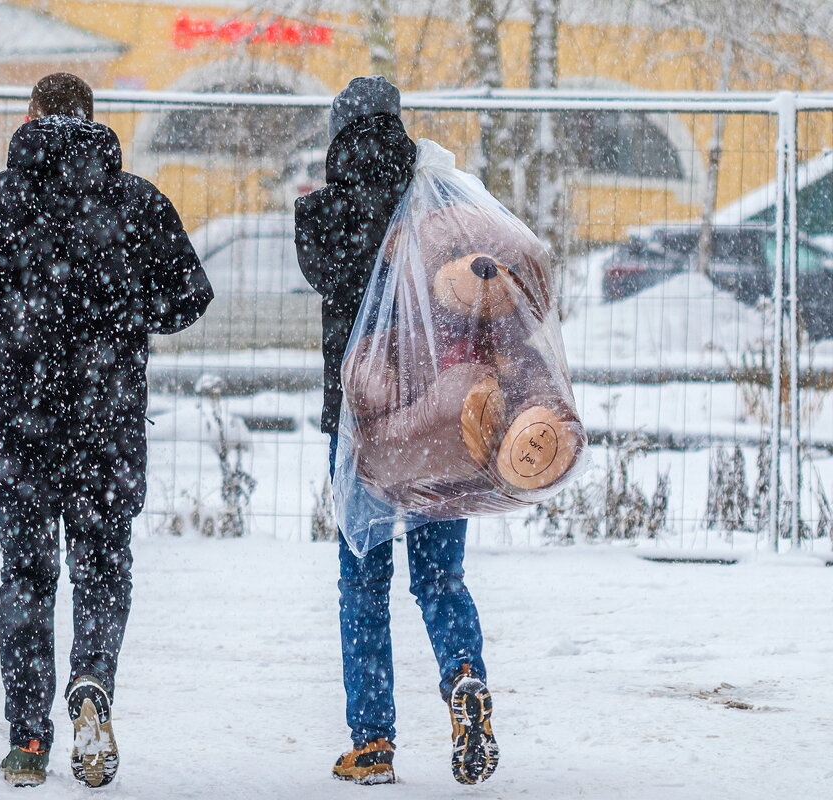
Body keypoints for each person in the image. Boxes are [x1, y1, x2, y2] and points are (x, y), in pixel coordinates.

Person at [0, 72, 212, 789]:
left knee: (26, 578)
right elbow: (190, 296)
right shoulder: (135, 202)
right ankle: (91, 678)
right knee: (101, 569)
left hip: (21, 421)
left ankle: (28, 735)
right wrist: (124, 315)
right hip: (105, 422)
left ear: (31, 115)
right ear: (92, 120)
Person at [294, 76, 499, 787]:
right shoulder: (440, 200)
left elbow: (329, 277)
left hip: (363, 423)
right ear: (398, 124)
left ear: (337, 132)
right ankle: (464, 674)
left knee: (363, 581)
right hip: (445, 418)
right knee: (440, 575)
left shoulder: (320, 213)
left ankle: (373, 741)